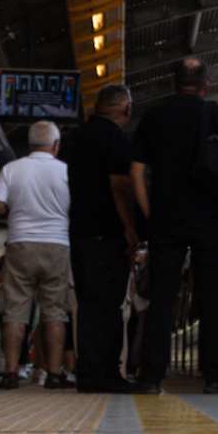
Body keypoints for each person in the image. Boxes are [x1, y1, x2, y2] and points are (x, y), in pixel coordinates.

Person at [130, 56, 218, 394]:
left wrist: (151, 213)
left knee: (162, 298)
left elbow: (137, 173)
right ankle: (215, 376)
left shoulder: (154, 116)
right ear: (205, 84)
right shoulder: (214, 114)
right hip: (210, 218)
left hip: (167, 218)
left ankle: (152, 377)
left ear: (173, 83)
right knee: (211, 297)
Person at [0, 121, 74, 391]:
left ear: (29, 144)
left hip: (20, 244)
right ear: (56, 146)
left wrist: (12, 210)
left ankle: (11, 373)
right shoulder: (67, 171)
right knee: (55, 312)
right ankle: (55, 373)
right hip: (57, 245)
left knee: (15, 311)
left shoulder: (11, 169)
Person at [69, 84, 140, 393]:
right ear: (125, 109)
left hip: (79, 231)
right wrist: (130, 228)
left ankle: (87, 372)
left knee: (87, 304)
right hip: (107, 233)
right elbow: (120, 187)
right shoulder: (116, 139)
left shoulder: (75, 138)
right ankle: (107, 374)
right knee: (109, 306)